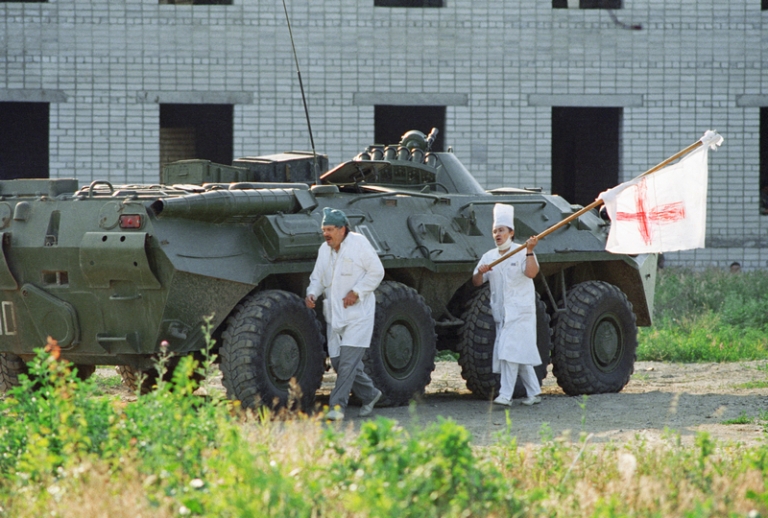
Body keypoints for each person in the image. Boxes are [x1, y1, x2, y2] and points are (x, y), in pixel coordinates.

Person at [306, 207, 385, 421]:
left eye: (330, 229)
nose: (326, 234)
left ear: (342, 229)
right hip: (335, 315)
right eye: (324, 229)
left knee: (348, 364)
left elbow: (377, 271)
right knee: (340, 364)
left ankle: (337, 407)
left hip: (358, 315)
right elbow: (318, 277)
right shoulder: (325, 249)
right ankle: (371, 394)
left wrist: (357, 292)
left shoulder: (359, 244)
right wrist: (312, 293)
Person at [472, 203, 542, 407]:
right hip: (501, 313)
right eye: (495, 231)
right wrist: (481, 272)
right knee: (517, 352)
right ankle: (534, 392)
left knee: (509, 351)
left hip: (521, 312)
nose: (497, 234)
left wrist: (530, 251)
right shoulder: (489, 257)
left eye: (501, 230)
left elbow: (532, 273)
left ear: (511, 232)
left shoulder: (521, 251)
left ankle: (505, 395)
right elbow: (476, 281)